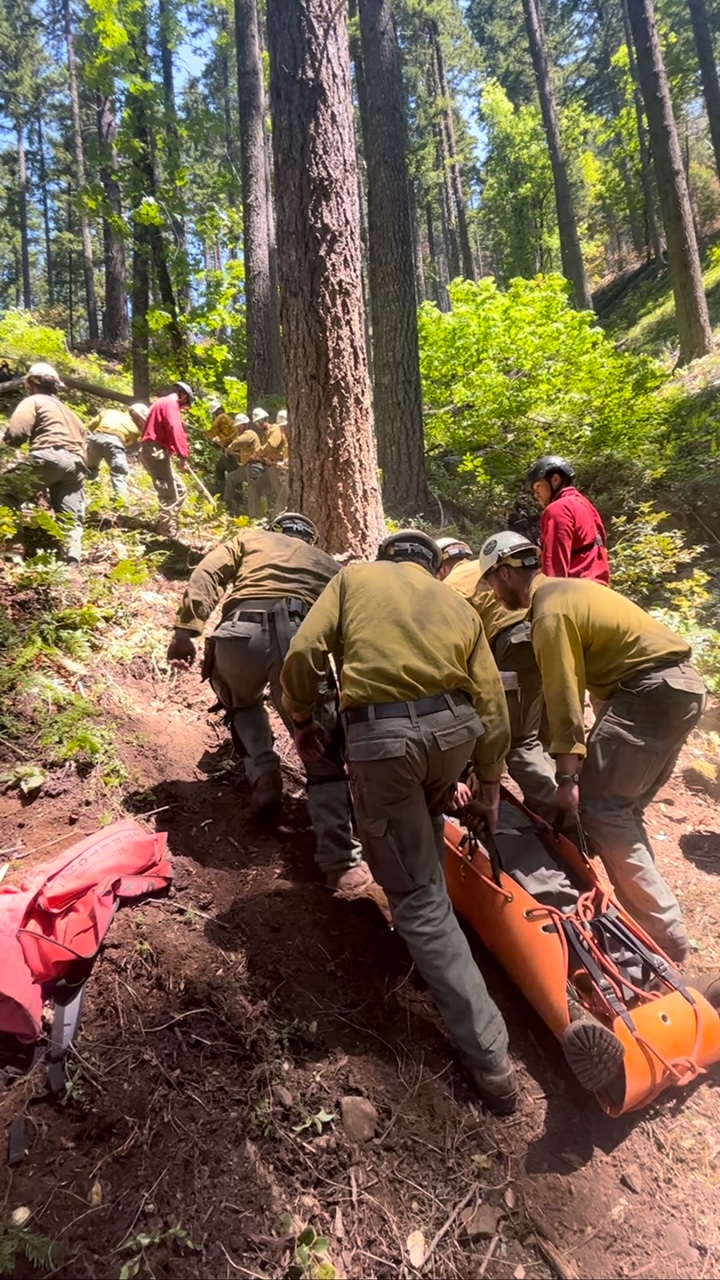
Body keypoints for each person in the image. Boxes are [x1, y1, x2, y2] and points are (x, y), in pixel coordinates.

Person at [281, 529, 518, 1113]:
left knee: (414, 899)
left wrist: (303, 717)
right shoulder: (455, 602)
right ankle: (437, 927)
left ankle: (490, 1055)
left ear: (384, 557)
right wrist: (488, 780)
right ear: (434, 566)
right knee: (424, 827)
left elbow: (303, 656)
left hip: (382, 739)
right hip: (454, 737)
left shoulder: (354, 578)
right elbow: (489, 694)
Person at [477, 530, 707, 963]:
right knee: (623, 810)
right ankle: (653, 919)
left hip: (648, 692)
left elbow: (564, 696)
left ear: (505, 572)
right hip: (684, 688)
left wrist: (566, 778)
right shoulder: (573, 589)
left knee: (602, 811)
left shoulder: (548, 613)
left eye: (491, 581)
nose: (492, 591)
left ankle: (665, 939)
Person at [166, 512, 371, 892]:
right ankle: (341, 862)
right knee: (321, 750)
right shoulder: (328, 564)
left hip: (236, 634)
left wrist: (186, 630)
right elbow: (349, 624)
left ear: (278, 531)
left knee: (242, 703)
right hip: (297, 637)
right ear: (311, 539)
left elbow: (208, 573)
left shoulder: (250, 538)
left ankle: (263, 773)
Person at [437, 538, 557, 822]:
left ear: (440, 567)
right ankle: (559, 799)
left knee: (518, 740)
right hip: (551, 626)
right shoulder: (480, 570)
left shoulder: (449, 588)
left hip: (517, 641)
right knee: (545, 732)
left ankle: (554, 812)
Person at [2, 362, 87, 563]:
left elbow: (17, 434)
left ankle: (13, 549)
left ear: (30, 383)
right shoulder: (69, 412)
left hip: (49, 457)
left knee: (4, 491)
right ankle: (71, 562)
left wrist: (6, 442)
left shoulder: (33, 401)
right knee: (69, 517)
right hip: (77, 465)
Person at [527, 455, 610, 584]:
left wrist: (549, 597)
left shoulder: (558, 509)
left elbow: (554, 565)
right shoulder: (586, 505)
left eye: (538, 486)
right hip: (600, 590)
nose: (536, 494)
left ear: (554, 480)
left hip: (576, 592)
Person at [139, 381, 194, 535]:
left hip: (154, 450)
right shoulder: (171, 404)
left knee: (180, 490)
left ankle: (167, 523)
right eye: (185, 404)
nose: (183, 408)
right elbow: (174, 428)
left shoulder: (161, 402)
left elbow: (162, 429)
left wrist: (172, 450)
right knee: (169, 494)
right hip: (155, 452)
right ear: (182, 396)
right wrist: (183, 455)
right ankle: (165, 532)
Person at [86, 402, 149, 497]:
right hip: (115, 442)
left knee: (89, 469)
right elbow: (128, 443)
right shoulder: (135, 430)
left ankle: (89, 493)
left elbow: (91, 425)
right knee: (119, 472)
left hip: (96, 439)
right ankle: (121, 502)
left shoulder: (108, 412)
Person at [206, 401, 239, 497]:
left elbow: (213, 432)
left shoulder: (221, 417)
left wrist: (206, 434)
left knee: (232, 473)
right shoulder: (227, 419)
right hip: (230, 449)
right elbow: (223, 436)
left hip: (232, 451)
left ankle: (234, 497)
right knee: (220, 468)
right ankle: (221, 491)